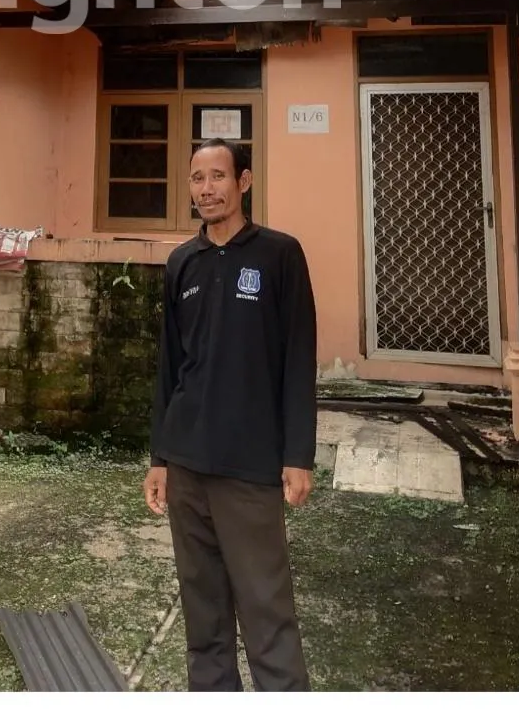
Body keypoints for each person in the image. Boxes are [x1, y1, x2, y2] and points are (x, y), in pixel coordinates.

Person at [144, 139, 317, 692]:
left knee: (267, 612)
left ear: (243, 181)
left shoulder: (279, 255)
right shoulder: (182, 263)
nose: (207, 189)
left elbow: (298, 359)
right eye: (197, 178)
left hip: (250, 467)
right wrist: (160, 458)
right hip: (187, 464)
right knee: (204, 614)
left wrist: (298, 455)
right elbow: (170, 366)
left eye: (218, 176)